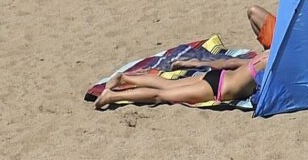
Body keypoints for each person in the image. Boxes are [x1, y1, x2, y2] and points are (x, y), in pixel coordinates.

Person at [94, 8, 275, 109]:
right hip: (218, 90)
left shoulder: (265, 55)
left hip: (218, 76)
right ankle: (110, 97)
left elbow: (230, 62)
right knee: (161, 96)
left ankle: (125, 78)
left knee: (166, 85)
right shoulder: (274, 65)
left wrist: (193, 63)